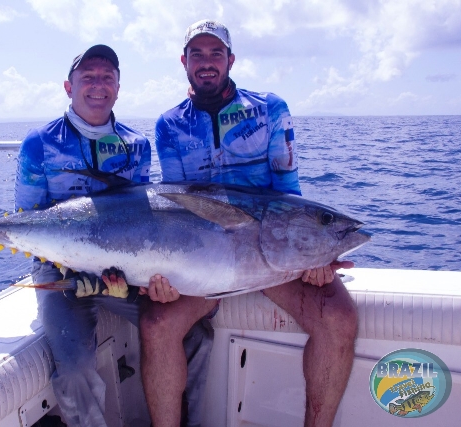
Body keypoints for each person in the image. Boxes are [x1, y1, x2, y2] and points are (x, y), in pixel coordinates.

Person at [139, 20, 358, 427]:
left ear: (231, 60)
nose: (207, 63)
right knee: (155, 323)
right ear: (184, 62)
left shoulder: (269, 109)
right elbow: (178, 205)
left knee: (339, 319)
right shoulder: (169, 125)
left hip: (271, 252)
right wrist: (163, 273)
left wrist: (312, 253)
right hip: (206, 261)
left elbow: (288, 192)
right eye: (198, 55)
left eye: (216, 54)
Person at [14, 44, 212, 427]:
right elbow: (28, 219)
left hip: (123, 271)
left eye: (107, 77)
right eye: (87, 77)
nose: (98, 85)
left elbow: (139, 217)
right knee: (74, 369)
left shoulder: (135, 145)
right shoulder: (38, 143)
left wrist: (136, 275)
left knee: (195, 332)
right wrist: (71, 264)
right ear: (68, 87)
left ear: (118, 87)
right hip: (59, 272)